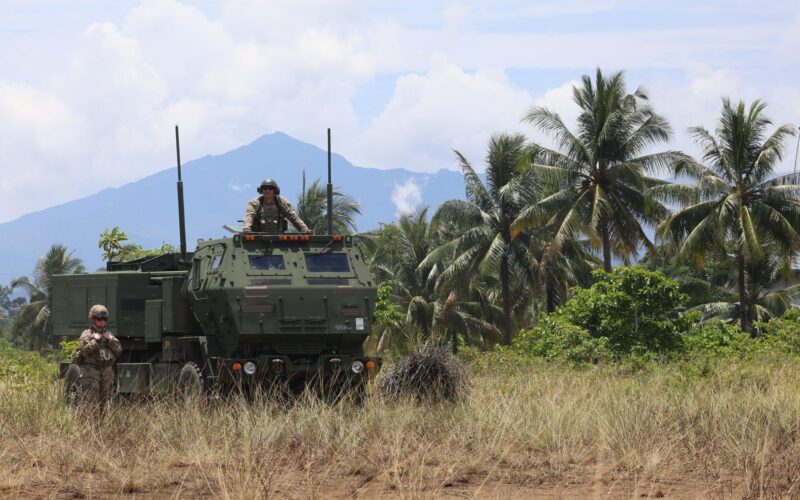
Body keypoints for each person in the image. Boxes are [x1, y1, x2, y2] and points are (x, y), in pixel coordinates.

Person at [71, 304, 122, 411]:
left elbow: (119, 352)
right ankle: (90, 428)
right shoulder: (87, 334)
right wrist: (95, 342)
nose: (102, 321)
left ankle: (101, 427)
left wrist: (111, 341)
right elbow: (81, 353)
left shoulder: (109, 335)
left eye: (105, 319)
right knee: (90, 406)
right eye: (99, 318)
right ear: (93, 319)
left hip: (106, 374)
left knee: (104, 407)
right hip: (90, 373)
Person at [243, 178, 311, 234]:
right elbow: (250, 215)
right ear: (261, 190)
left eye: (270, 188)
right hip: (258, 237)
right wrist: (247, 229)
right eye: (265, 188)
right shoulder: (254, 203)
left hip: (278, 238)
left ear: (275, 190)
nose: (267, 190)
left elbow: (293, 216)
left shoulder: (282, 202)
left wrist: (305, 229)